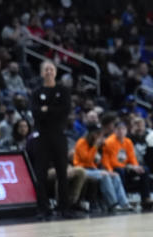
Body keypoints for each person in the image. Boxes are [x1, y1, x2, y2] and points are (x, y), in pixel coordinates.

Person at [30, 61, 71, 220]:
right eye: (46, 69)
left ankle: (64, 208)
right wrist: (51, 110)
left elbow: (65, 111)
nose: (48, 72)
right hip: (42, 136)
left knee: (62, 172)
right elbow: (35, 113)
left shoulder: (63, 91)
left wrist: (46, 109)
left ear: (55, 72)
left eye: (51, 69)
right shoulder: (36, 92)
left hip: (59, 135)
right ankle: (43, 208)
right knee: (40, 173)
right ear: (41, 73)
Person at [73, 124, 133, 213]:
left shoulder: (95, 144)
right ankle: (113, 204)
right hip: (82, 169)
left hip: (92, 169)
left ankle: (124, 203)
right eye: (100, 135)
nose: (102, 137)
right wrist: (95, 146)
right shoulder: (81, 142)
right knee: (105, 175)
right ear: (94, 135)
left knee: (115, 175)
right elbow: (87, 159)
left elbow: (96, 161)